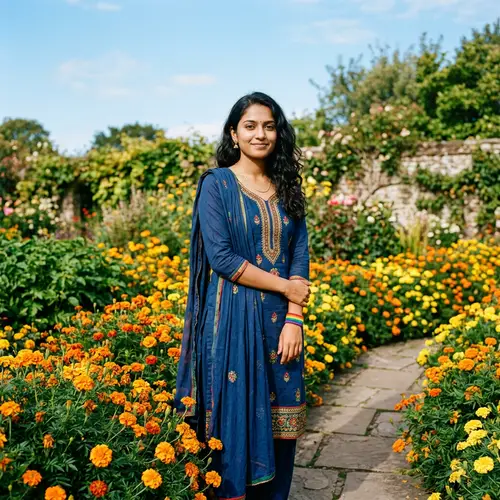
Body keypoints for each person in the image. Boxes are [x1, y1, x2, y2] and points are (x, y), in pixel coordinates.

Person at [175, 91, 311, 500]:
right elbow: (221, 257)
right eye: (250, 126)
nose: (260, 134)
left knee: (283, 416)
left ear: (278, 132)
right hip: (232, 321)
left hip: (280, 325)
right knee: (235, 413)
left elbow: (297, 254)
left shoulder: (288, 186)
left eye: (269, 126)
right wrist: (288, 288)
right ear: (234, 134)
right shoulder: (217, 186)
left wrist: (294, 318)